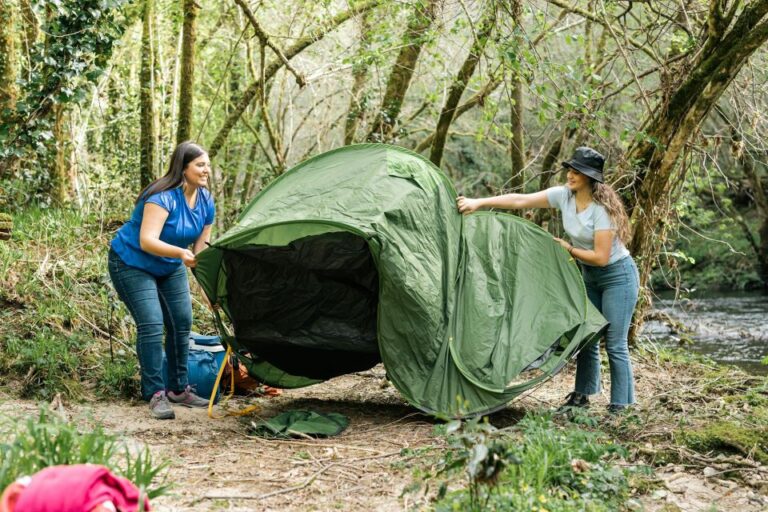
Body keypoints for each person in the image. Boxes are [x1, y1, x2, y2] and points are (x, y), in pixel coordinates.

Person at [457, 146, 639, 414]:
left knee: (614, 342)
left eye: (577, 171)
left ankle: (620, 405)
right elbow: (521, 200)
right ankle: (582, 397)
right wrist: (479, 202)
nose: (570, 174)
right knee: (585, 336)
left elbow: (600, 257)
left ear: (590, 177)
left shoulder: (601, 210)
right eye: (570, 169)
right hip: (589, 276)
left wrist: (569, 249)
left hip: (617, 277)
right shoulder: (563, 196)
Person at [108, 141, 215, 419]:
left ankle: (178, 389)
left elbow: (200, 253)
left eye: (208, 165)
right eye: (200, 165)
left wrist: (207, 288)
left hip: (169, 265)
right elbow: (147, 240)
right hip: (132, 263)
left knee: (181, 322)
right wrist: (181, 252)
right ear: (184, 168)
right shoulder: (161, 197)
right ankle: (155, 393)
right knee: (152, 324)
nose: (207, 170)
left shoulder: (206, 201)